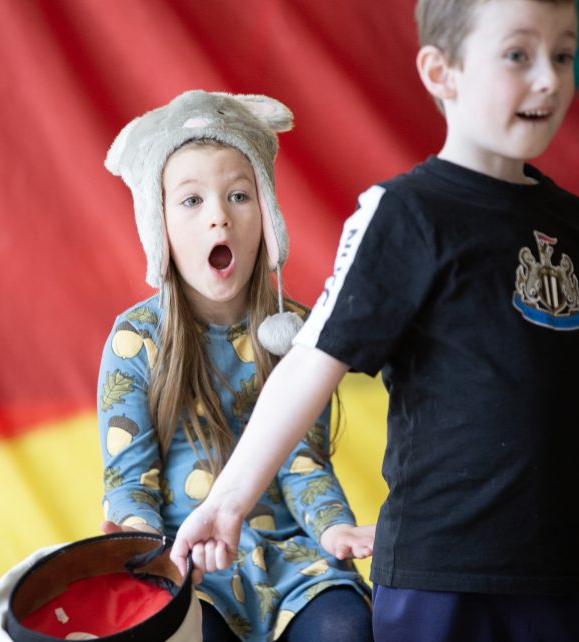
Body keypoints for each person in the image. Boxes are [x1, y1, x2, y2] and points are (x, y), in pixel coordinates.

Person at [171, 1, 579, 640]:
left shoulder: (577, 227)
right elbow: (311, 362)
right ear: (441, 72)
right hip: (440, 583)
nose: (548, 78)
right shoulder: (402, 214)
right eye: (518, 55)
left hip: (569, 583)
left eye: (562, 55)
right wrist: (226, 502)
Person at [98, 90, 375, 642]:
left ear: (268, 218)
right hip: (189, 559)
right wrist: (146, 556)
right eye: (192, 201)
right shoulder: (135, 340)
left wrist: (334, 527)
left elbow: (302, 457)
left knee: (347, 629)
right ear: (161, 228)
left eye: (239, 195)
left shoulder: (296, 333)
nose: (219, 218)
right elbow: (130, 482)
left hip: (295, 558)